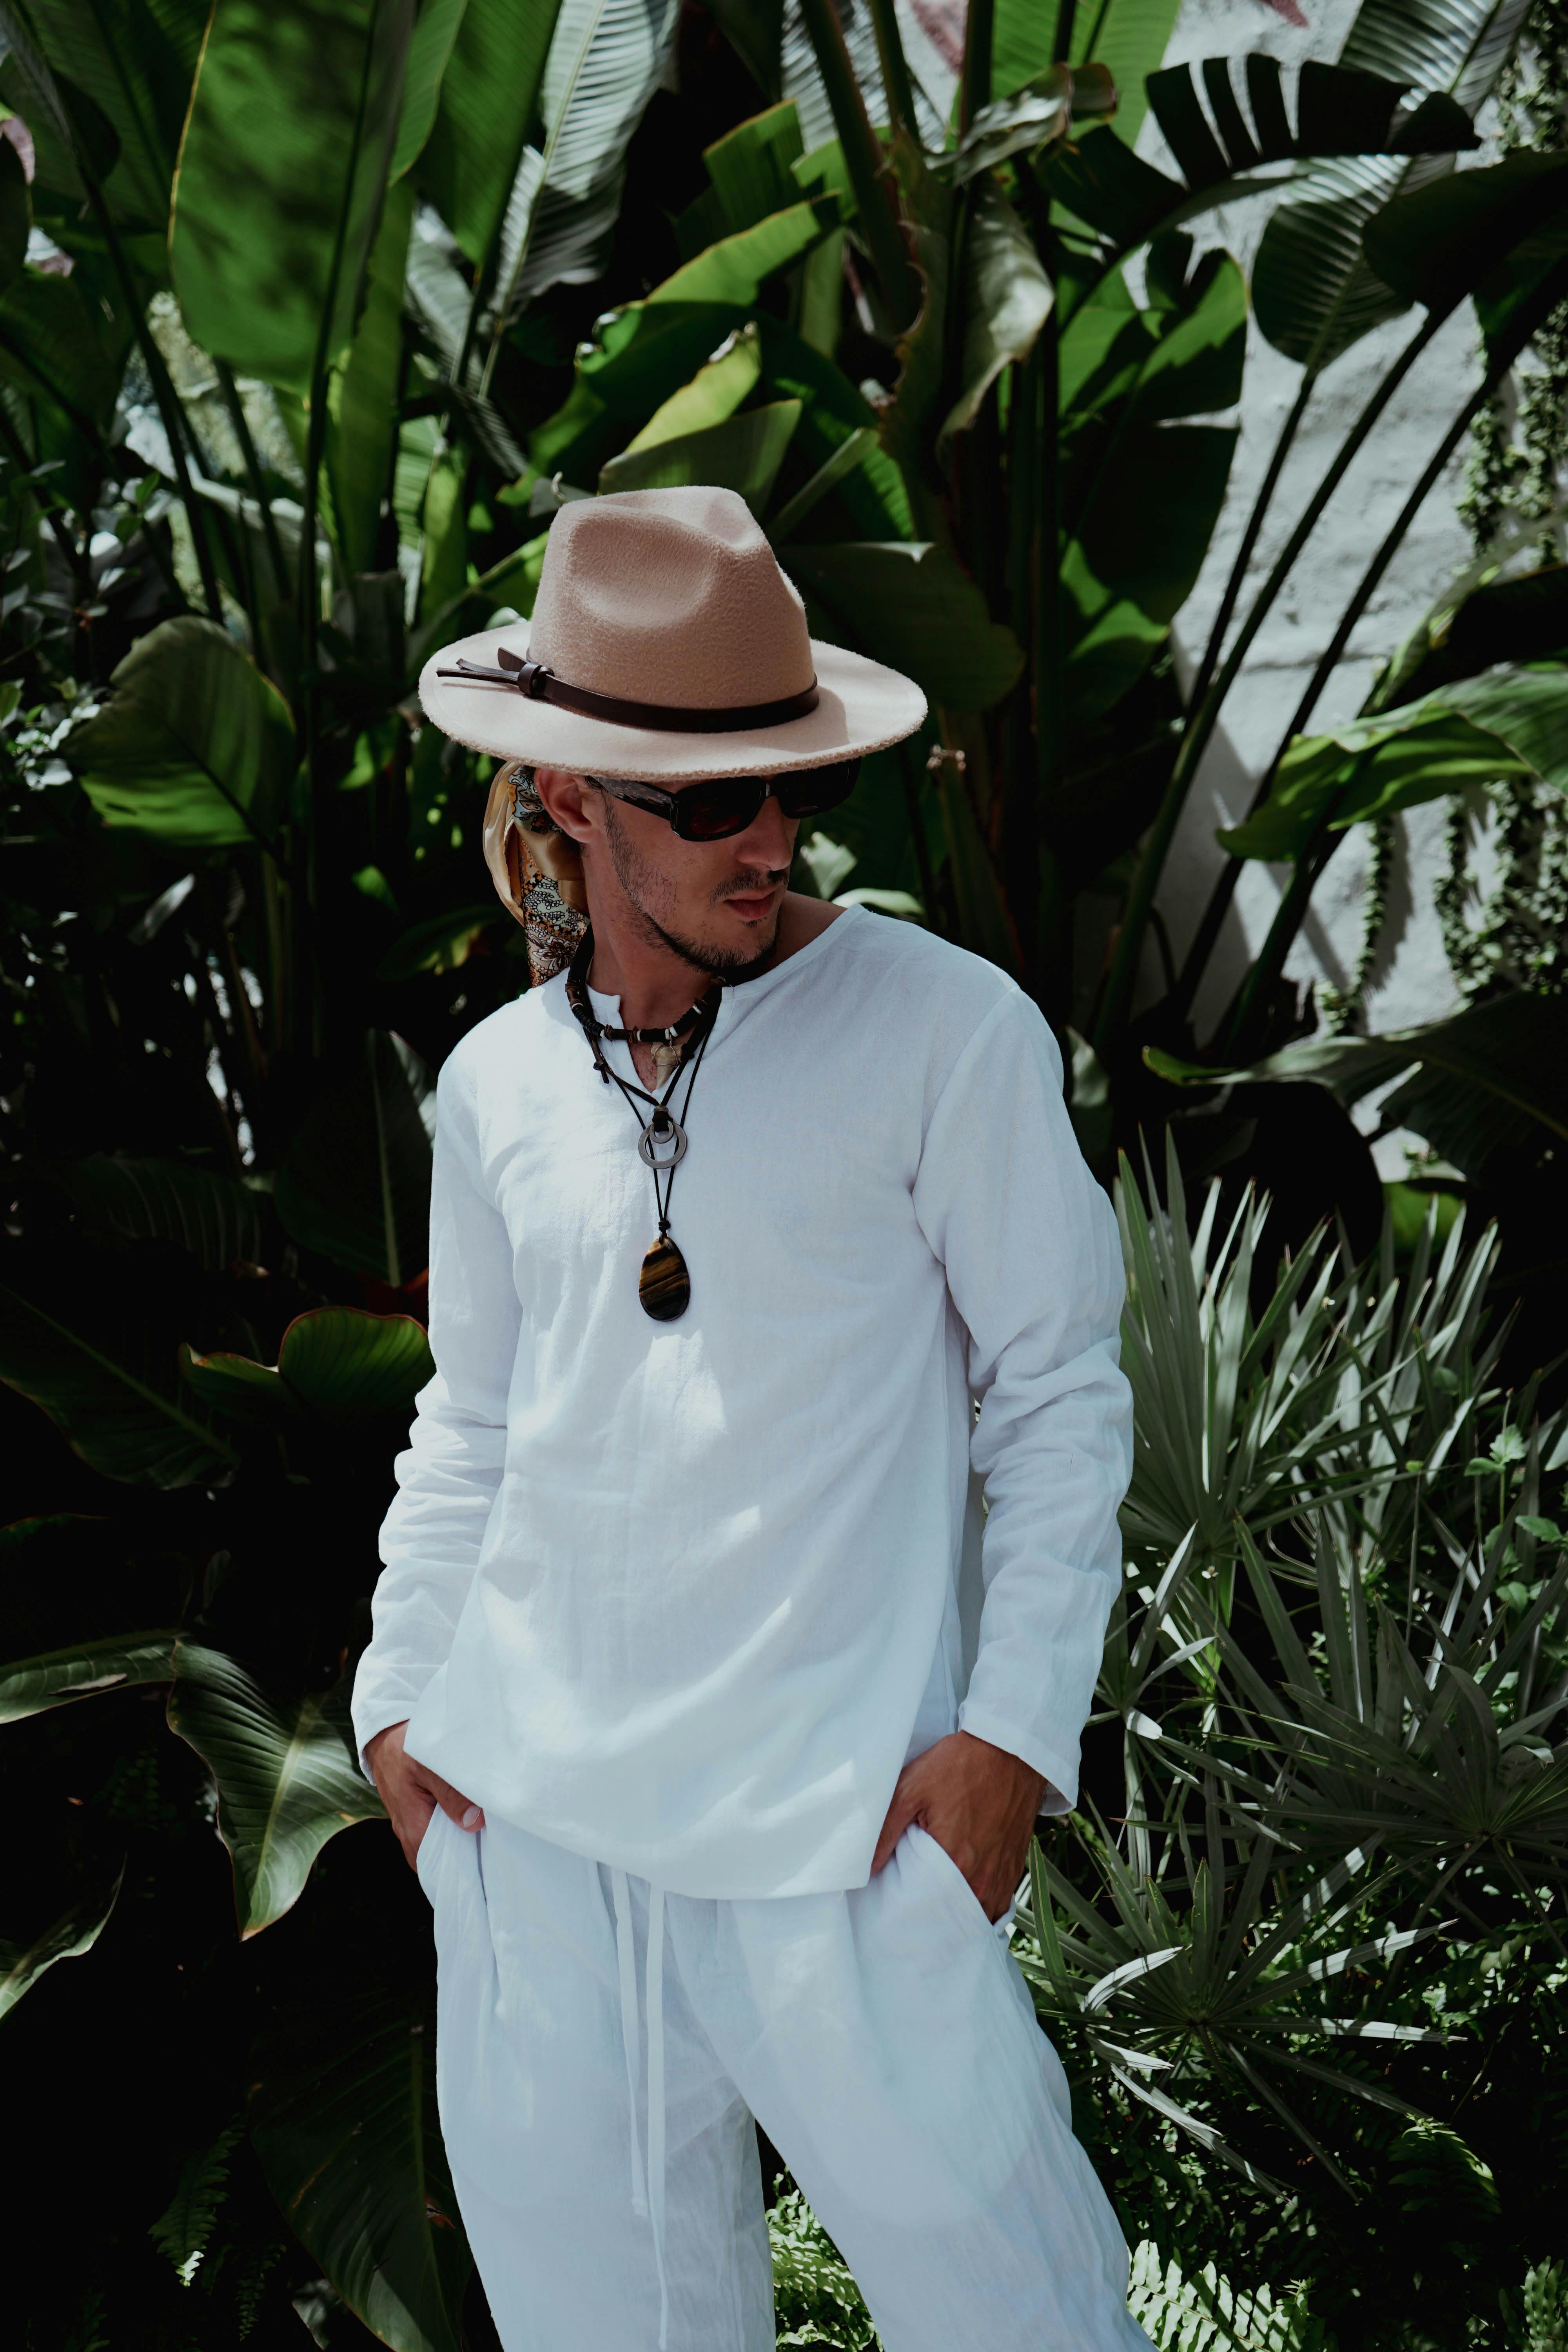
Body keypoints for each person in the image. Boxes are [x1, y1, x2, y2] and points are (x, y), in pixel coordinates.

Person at [352, 485, 1149, 2352]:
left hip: (849, 1850)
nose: (770, 839)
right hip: (540, 1855)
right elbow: (472, 1419)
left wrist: (1010, 1737)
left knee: (1031, 2327)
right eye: (715, 802)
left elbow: (1053, 1396)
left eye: (792, 788)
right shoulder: (494, 1089)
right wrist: (400, 1699)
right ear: (569, 803)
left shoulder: (946, 1033)